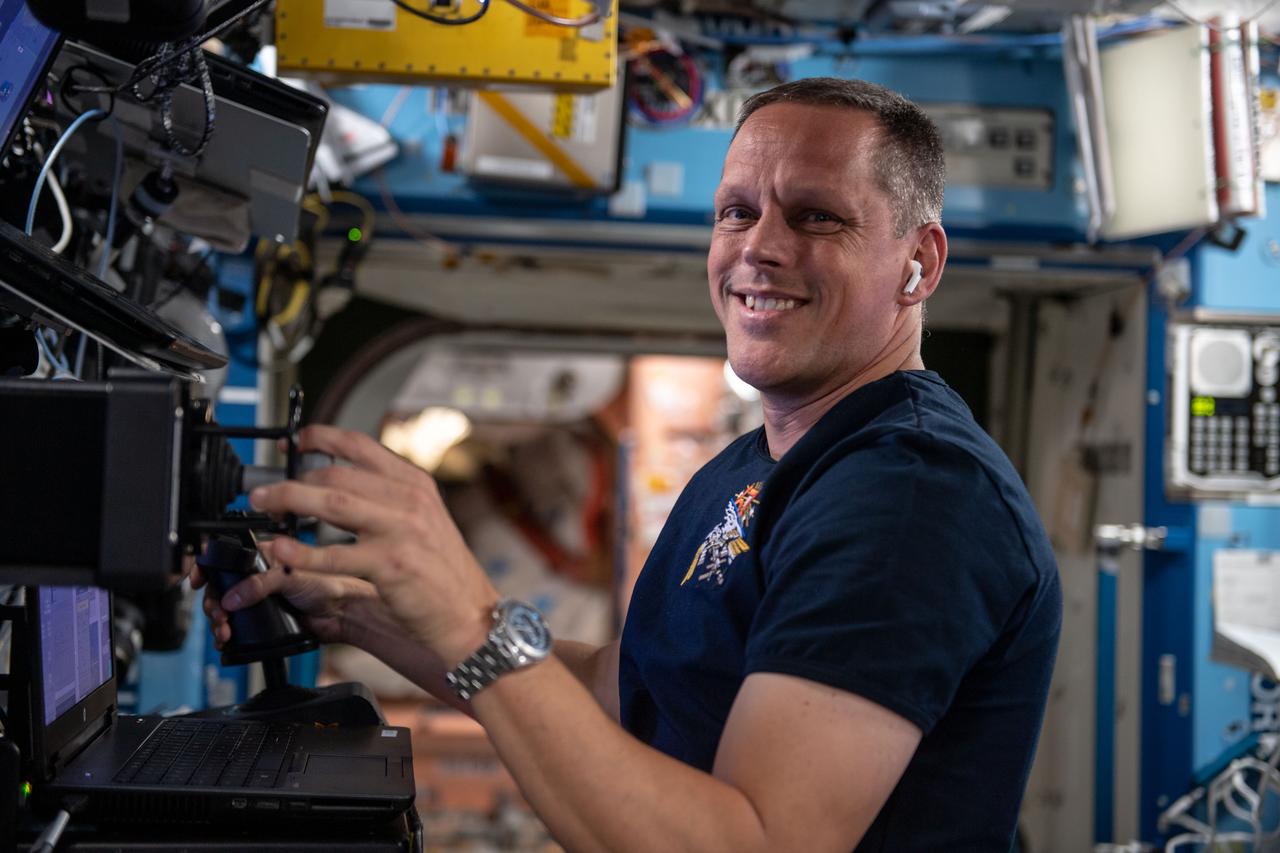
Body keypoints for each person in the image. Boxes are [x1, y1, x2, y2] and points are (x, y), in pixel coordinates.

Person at [197, 77, 1062, 851]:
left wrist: (474, 619)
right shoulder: (751, 465)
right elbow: (624, 690)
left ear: (920, 262)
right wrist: (358, 611)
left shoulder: (912, 494)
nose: (758, 247)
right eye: (736, 211)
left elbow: (755, 841)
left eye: (815, 215)